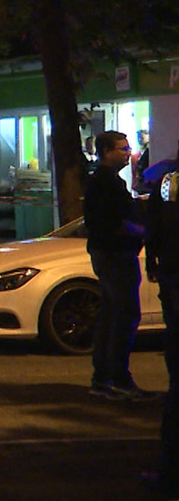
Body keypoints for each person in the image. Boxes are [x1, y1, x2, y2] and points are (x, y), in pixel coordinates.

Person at [85, 130, 153, 400]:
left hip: (112, 254)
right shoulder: (105, 183)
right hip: (115, 255)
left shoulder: (107, 181)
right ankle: (117, 379)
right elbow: (114, 222)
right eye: (122, 149)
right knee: (124, 316)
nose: (128, 153)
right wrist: (144, 232)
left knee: (111, 315)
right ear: (106, 152)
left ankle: (103, 379)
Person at [143, 166, 179, 495]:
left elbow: (154, 225)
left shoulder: (170, 184)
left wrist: (153, 260)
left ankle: (169, 476)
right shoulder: (169, 184)